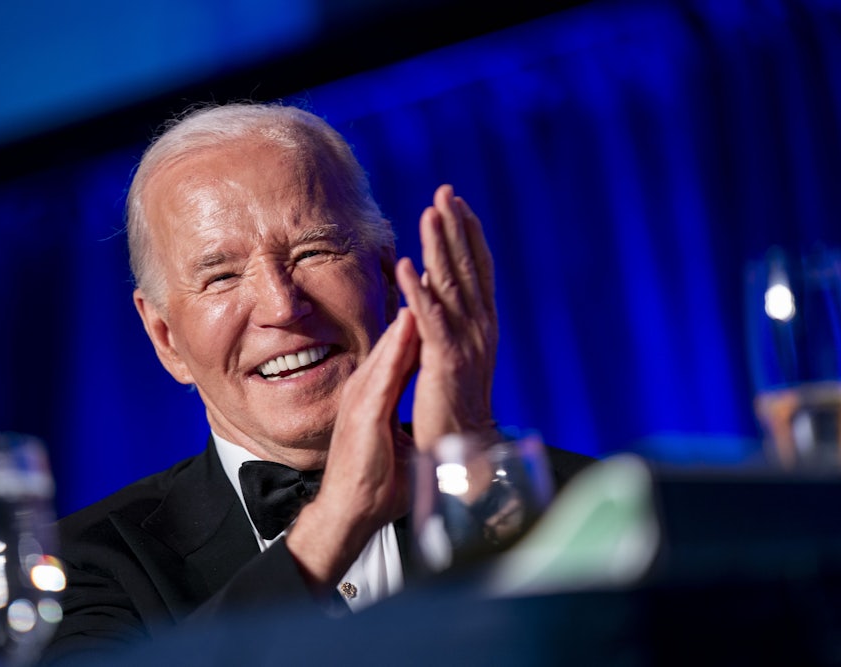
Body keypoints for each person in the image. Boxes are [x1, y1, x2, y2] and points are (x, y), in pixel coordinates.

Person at [39, 101, 594, 665]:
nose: (282, 306)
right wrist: (337, 518)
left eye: (313, 252)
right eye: (222, 276)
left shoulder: (588, 503)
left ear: (384, 277)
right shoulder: (75, 567)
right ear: (165, 338)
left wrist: (469, 473)